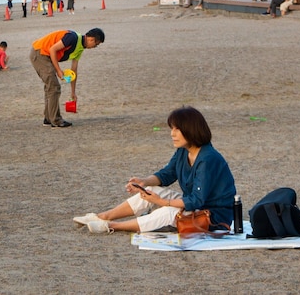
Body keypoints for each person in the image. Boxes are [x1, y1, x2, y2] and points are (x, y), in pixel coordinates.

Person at [74, 106, 237, 234]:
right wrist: (143, 182)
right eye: (171, 129)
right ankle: (101, 217)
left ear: (191, 130)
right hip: (196, 206)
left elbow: (196, 200)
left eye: (176, 129)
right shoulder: (184, 151)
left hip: (213, 218)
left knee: (167, 211)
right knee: (150, 190)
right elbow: (167, 174)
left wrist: (160, 201)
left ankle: (112, 226)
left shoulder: (208, 159)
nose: (172, 134)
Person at [30, 28, 105, 128]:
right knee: (54, 87)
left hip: (46, 55)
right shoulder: (72, 38)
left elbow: (73, 71)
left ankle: (48, 118)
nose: (95, 47)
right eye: (96, 44)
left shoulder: (80, 48)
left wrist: (73, 92)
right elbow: (52, 49)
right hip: (40, 53)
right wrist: (58, 71)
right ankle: (56, 120)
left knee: (51, 87)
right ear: (91, 39)